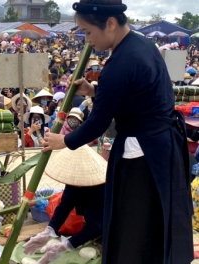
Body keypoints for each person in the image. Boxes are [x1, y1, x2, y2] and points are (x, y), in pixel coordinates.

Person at [42, 0, 193, 263]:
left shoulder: (120, 62)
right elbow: (135, 97)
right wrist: (93, 91)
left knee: (134, 221)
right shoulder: (143, 45)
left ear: (110, 24)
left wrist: (65, 140)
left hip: (143, 155)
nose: (87, 41)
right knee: (156, 217)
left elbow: (99, 121)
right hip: (161, 144)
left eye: (88, 32)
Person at [24, 145, 106, 264]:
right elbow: (65, 204)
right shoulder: (74, 177)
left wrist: (67, 245)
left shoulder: (103, 186)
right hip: (96, 219)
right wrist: (49, 230)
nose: (74, 184)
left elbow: (96, 224)